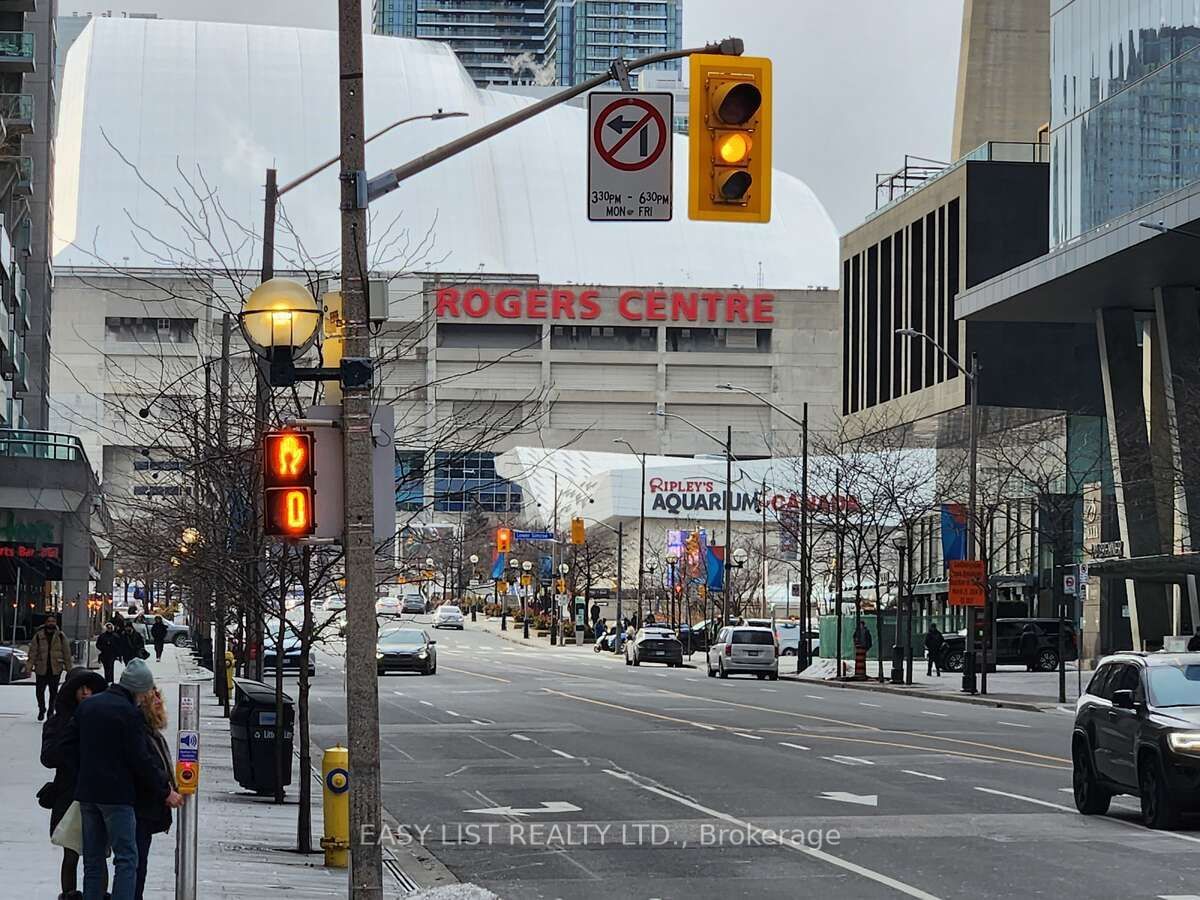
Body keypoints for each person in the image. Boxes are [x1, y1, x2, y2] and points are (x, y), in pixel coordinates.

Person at [67, 659, 183, 900]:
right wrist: (165, 792)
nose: (145, 698)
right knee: (127, 859)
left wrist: (84, 773)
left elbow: (68, 746)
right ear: (138, 690)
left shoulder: (88, 706)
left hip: (88, 794)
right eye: (145, 692)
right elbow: (141, 760)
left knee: (93, 859)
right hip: (118, 797)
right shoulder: (129, 714)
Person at [42, 666, 107, 900]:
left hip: (97, 794)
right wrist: (70, 734)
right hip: (68, 795)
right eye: (80, 688)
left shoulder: (103, 719)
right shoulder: (57, 723)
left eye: (89, 688)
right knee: (71, 854)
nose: (85, 693)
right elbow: (48, 758)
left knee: (97, 855)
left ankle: (99, 895)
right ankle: (69, 895)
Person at [133, 687, 175, 900]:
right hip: (140, 807)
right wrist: (166, 791)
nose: (159, 701)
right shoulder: (142, 731)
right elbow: (147, 767)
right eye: (153, 697)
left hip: (146, 808)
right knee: (136, 862)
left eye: (159, 695)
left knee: (139, 862)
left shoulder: (152, 732)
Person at [30, 616, 74, 721]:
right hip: (41, 668)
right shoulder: (38, 636)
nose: (51, 623)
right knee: (39, 691)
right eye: (49, 621)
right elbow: (33, 652)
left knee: (53, 692)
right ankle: (42, 708)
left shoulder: (61, 636)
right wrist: (29, 666)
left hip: (55, 668)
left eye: (53, 621)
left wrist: (69, 669)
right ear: (45, 622)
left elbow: (66, 653)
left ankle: (50, 711)